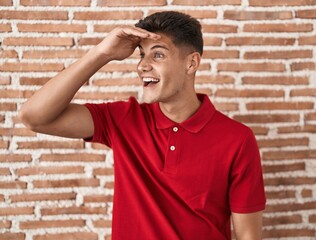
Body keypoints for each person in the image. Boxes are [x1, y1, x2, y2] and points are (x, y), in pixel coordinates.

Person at [20, 11, 266, 240]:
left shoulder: (237, 138)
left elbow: (248, 236)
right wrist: (102, 54)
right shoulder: (123, 118)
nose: (142, 66)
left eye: (157, 54)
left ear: (191, 64)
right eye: (142, 55)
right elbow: (35, 117)